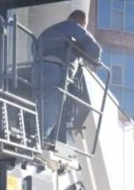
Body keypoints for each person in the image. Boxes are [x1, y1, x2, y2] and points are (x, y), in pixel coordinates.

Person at [31, 10, 102, 145]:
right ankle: (39, 143)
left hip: (37, 70)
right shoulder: (75, 28)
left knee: (39, 107)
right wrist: (95, 61)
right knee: (53, 108)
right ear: (82, 22)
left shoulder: (51, 30)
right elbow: (94, 48)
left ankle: (36, 137)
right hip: (55, 71)